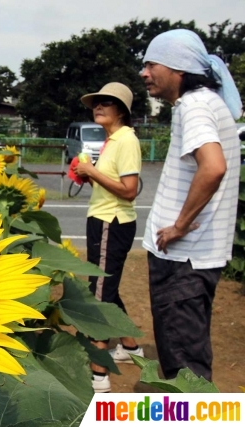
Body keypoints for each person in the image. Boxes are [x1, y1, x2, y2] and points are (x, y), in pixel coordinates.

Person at [140, 29, 242, 381]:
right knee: (188, 355)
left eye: (152, 64)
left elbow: (213, 167)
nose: (144, 73)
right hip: (194, 260)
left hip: (183, 260)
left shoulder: (194, 106)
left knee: (186, 372)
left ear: (178, 68)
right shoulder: (207, 102)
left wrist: (180, 225)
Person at [73, 82, 143, 393]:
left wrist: (92, 172)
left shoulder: (126, 141)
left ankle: (99, 374)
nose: (98, 107)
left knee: (99, 294)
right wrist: (86, 174)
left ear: (122, 111)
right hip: (104, 219)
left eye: (106, 102)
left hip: (111, 224)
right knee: (107, 287)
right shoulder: (112, 141)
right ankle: (130, 346)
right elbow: (107, 188)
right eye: (95, 103)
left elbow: (128, 191)